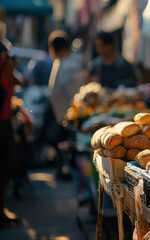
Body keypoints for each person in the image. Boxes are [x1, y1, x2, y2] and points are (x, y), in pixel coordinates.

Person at [45, 30, 83, 179]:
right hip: (63, 111)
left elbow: (66, 91)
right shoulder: (65, 62)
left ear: (56, 48)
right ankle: (65, 169)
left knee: (64, 142)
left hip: (67, 112)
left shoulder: (70, 65)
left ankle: (69, 170)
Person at [0, 37, 22, 228]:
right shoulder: (5, 65)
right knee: (4, 169)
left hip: (4, 120)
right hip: (2, 123)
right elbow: (17, 80)